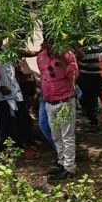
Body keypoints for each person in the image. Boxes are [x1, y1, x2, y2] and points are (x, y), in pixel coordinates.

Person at [37, 40, 79, 181]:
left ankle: (69, 168)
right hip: (50, 102)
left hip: (65, 101)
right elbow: (43, 75)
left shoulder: (67, 54)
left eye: (53, 41)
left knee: (67, 136)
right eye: (49, 42)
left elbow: (74, 75)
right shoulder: (41, 56)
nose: (51, 45)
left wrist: (62, 59)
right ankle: (62, 163)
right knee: (56, 136)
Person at [76, 44, 102, 132]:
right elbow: (75, 58)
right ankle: (93, 122)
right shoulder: (81, 40)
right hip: (86, 75)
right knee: (90, 101)